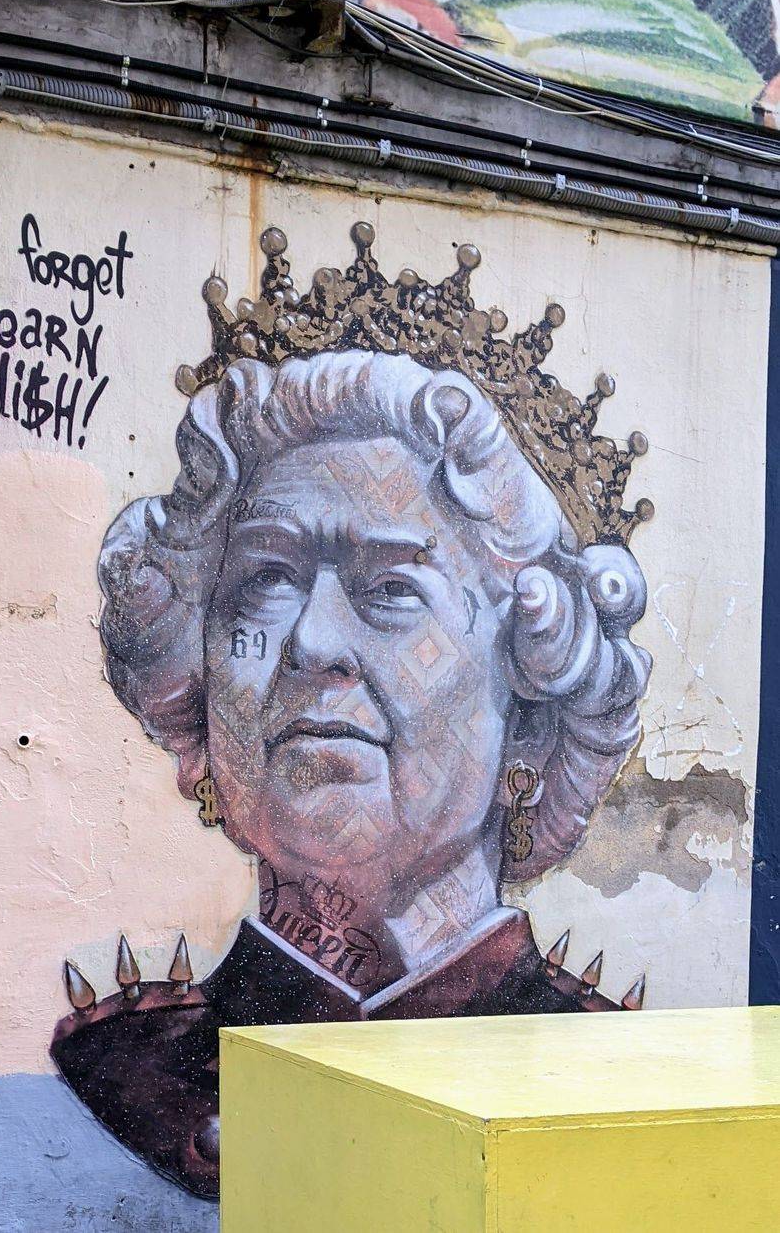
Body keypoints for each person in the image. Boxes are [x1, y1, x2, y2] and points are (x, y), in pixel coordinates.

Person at [51, 226, 652, 1200]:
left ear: (531, 720)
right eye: (265, 580)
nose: (313, 640)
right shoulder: (122, 1075)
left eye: (389, 589)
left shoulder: (616, 1095)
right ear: (196, 702)